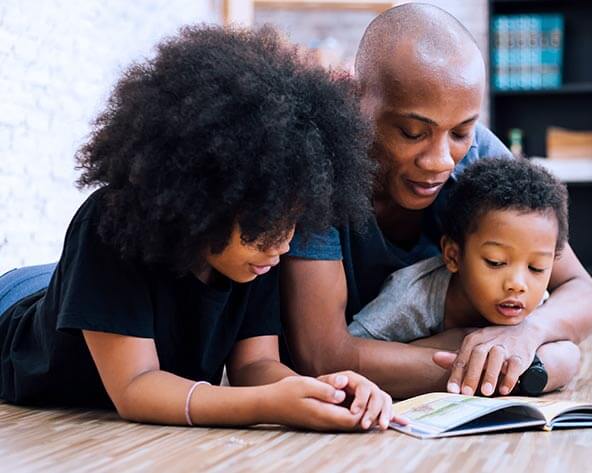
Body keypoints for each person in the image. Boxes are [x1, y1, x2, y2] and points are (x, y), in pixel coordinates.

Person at [0, 25, 404, 432]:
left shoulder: (258, 252)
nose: (282, 244)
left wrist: (326, 393)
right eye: (265, 223)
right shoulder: (108, 223)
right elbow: (135, 387)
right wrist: (267, 405)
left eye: (293, 223)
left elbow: (255, 364)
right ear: (204, 195)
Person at [279, 3, 592, 399]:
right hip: (362, 367)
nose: (440, 160)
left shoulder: (479, 153)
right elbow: (322, 356)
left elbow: (582, 291)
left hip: (400, 365)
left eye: (460, 131)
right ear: (356, 100)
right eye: (413, 132)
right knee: (561, 359)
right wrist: (499, 365)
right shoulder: (318, 169)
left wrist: (526, 333)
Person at [347, 159, 582, 393]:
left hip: (494, 385)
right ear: (453, 256)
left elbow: (569, 355)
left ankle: (508, 380)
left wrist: (523, 343)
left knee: (568, 355)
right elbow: (351, 350)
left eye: (537, 268)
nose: (518, 285)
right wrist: (454, 341)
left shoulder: (534, 303)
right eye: (496, 262)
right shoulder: (411, 296)